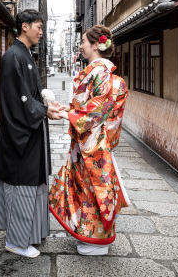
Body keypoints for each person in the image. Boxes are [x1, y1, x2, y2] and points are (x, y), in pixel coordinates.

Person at [0, 9, 65, 258]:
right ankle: (16, 241)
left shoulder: (25, 55)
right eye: (39, 27)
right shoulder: (13, 56)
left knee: (33, 183)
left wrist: (46, 106)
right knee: (22, 184)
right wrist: (43, 111)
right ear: (24, 26)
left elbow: (31, 94)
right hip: (20, 134)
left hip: (30, 131)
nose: (41, 32)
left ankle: (29, 235)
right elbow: (18, 100)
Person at [48, 25, 129, 256]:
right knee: (89, 188)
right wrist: (70, 109)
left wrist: (70, 115)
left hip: (93, 142)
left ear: (96, 45)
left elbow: (98, 108)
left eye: (84, 41)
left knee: (94, 189)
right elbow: (90, 105)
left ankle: (94, 240)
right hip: (91, 139)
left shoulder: (100, 72)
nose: (81, 45)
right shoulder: (98, 71)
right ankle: (88, 235)